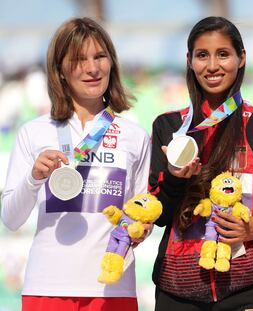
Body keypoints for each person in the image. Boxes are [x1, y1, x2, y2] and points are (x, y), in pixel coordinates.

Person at [0, 17, 151, 311]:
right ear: (60, 70)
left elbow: (139, 212)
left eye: (100, 56)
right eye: (79, 59)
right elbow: (11, 219)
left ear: (112, 63)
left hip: (113, 289)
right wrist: (33, 179)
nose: (92, 68)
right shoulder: (35, 131)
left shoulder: (135, 135)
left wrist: (141, 228)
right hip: (47, 287)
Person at [149, 16, 253, 310]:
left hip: (250, 284)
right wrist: (175, 179)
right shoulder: (169, 126)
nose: (212, 66)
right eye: (202, 55)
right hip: (178, 288)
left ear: (241, 58)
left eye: (223, 54)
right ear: (189, 61)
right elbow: (158, 215)